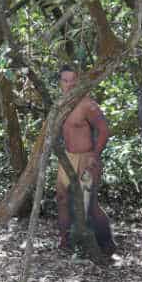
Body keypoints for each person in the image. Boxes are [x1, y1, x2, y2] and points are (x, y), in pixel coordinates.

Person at [55, 65, 116, 255]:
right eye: (65, 80)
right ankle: (65, 240)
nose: (70, 84)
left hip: (87, 157)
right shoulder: (60, 105)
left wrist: (94, 157)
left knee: (90, 205)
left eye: (73, 80)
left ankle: (107, 244)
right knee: (62, 199)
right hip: (67, 158)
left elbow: (104, 131)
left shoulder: (87, 104)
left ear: (78, 81)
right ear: (60, 83)